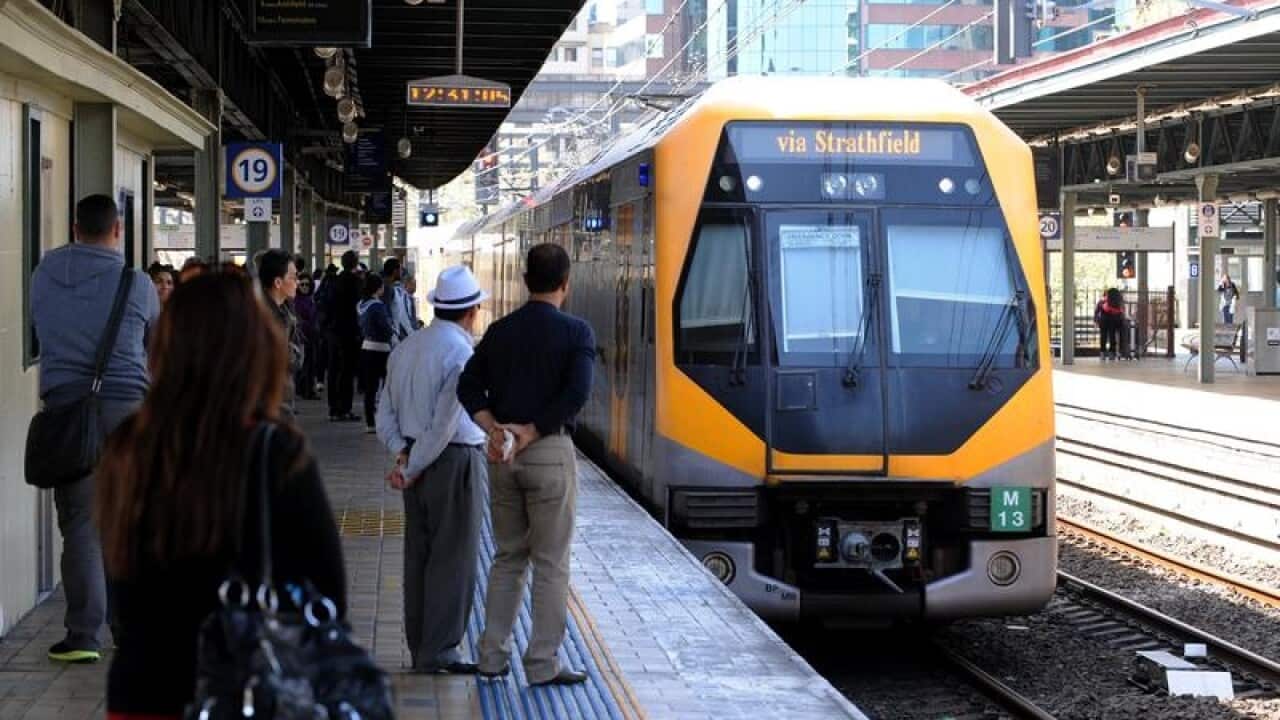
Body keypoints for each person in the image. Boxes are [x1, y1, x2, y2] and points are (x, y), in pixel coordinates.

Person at [95, 270, 347, 719]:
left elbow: (121, 574)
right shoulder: (277, 451)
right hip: (247, 690)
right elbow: (328, 594)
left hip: (144, 688)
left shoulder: (129, 445)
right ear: (255, 349)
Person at [29, 194, 161, 664]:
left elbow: (38, 331)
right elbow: (155, 343)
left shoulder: (44, 272)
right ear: (118, 230)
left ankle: (83, 636)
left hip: (68, 412)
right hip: (128, 411)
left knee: (82, 524)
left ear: (74, 226)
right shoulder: (138, 282)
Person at [459, 243, 595, 686]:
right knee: (551, 562)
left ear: (524, 280)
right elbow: (575, 395)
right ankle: (541, 664)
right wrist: (530, 432)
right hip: (547, 453)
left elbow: (468, 385)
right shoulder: (577, 333)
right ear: (565, 284)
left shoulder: (499, 331)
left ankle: (492, 657)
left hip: (502, 457)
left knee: (508, 556)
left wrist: (495, 428)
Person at [376, 265, 489, 674]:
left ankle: (420, 643)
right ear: (472, 311)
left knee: (418, 555)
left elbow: (384, 409)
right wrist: (416, 464)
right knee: (452, 556)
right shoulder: (461, 354)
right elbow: (444, 425)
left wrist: (402, 456)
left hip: (413, 459)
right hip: (453, 462)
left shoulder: (406, 348)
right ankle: (440, 649)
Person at [258, 249, 303, 418]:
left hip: (282, 396)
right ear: (278, 282)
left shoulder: (285, 311)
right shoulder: (262, 315)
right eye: (293, 277)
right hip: (266, 402)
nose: (297, 282)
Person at [322, 251, 363, 422]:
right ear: (355, 264)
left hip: (333, 331)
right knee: (347, 371)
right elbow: (358, 308)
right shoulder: (356, 282)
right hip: (349, 332)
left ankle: (333, 409)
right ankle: (345, 409)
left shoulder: (333, 282)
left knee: (333, 370)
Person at [357, 273, 393, 433]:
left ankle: (370, 422)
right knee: (387, 386)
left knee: (370, 389)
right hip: (381, 349)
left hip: (366, 347)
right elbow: (386, 328)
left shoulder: (360, 305)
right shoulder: (377, 306)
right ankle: (385, 419)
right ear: (378, 288)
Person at [294, 271, 320, 400]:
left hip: (312, 335)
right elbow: (299, 320)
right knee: (305, 365)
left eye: (307, 285)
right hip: (303, 337)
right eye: (302, 284)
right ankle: (305, 390)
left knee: (311, 364)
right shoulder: (297, 300)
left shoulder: (310, 299)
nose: (304, 287)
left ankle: (308, 390)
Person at [381, 258, 416, 343]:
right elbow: (387, 313)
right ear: (395, 271)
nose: (401, 272)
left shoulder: (389, 287)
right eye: (400, 269)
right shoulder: (388, 288)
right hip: (390, 337)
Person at [1094, 287, 1125, 361]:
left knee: (1103, 337)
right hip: (1114, 321)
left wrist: (1096, 320)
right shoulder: (1118, 300)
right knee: (1112, 337)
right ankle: (1112, 354)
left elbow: (1097, 311)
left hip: (1103, 321)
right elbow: (1121, 312)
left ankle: (1102, 353)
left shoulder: (1102, 301)